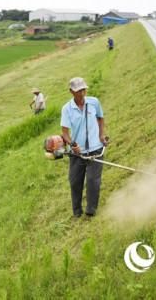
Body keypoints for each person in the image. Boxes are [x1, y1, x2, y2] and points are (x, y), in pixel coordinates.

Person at [60, 77, 106, 218]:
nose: (81, 93)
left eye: (83, 90)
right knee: (75, 181)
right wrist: (73, 145)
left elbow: (100, 118)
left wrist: (102, 135)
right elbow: (65, 133)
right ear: (71, 92)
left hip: (95, 149)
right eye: (78, 91)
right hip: (78, 153)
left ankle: (90, 211)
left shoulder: (94, 102)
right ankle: (77, 212)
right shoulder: (67, 109)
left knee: (93, 181)